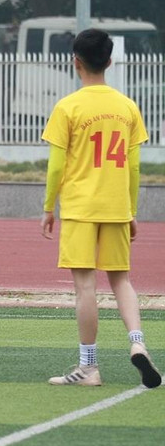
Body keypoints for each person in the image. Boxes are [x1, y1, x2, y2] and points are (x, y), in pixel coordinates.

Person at [41, 28, 161, 388]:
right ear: (109, 61)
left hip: (80, 208)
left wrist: (49, 206)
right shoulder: (127, 107)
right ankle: (137, 343)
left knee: (85, 287)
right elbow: (135, 167)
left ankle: (89, 367)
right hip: (116, 206)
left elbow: (56, 167)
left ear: (74, 62)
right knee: (121, 280)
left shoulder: (68, 107)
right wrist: (131, 210)